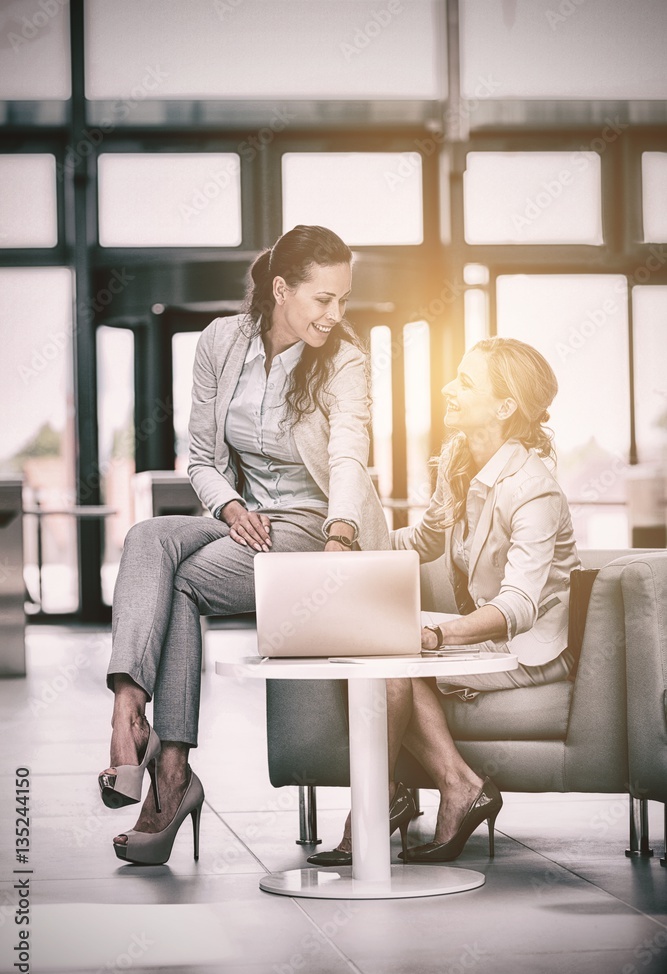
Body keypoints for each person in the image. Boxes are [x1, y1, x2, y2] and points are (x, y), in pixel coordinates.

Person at [99, 225, 390, 866]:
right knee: (148, 537)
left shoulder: (345, 358)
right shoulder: (220, 343)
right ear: (281, 289)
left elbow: (348, 456)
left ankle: (161, 766)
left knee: (175, 579)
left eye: (343, 299)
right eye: (322, 300)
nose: (335, 314)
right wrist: (229, 505)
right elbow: (201, 458)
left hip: (315, 527)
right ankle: (133, 719)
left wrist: (341, 533)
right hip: (247, 517)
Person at [308, 336, 581, 867]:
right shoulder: (460, 460)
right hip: (485, 631)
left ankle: (391, 798)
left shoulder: (534, 489)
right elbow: (426, 542)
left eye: (466, 381)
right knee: (373, 644)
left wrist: (434, 635)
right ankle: (451, 786)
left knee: (388, 652)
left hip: (529, 647)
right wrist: (354, 541)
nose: (447, 388)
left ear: (504, 407)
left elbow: (518, 606)